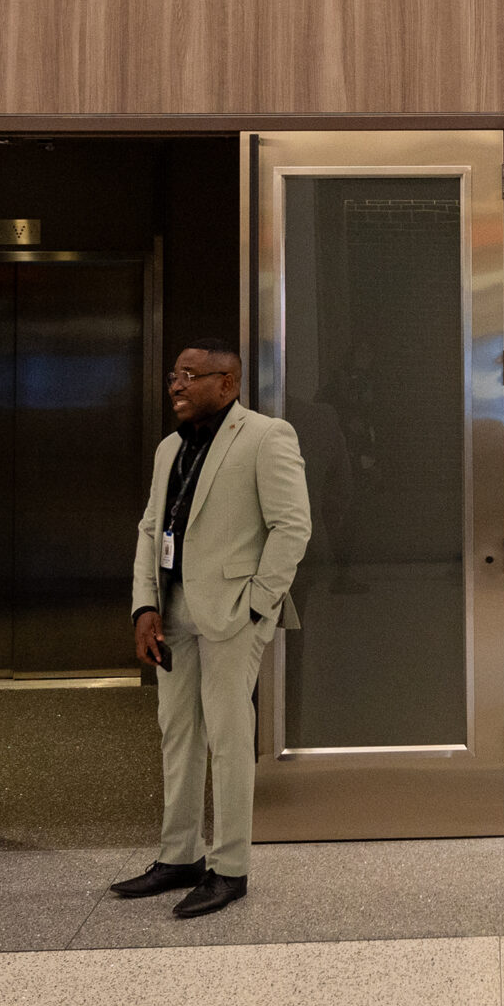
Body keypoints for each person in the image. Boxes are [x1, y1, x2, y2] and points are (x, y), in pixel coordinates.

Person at [108, 338, 311, 918]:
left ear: (228, 383)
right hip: (172, 611)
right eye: (174, 374)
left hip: (232, 613)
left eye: (190, 375)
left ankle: (230, 868)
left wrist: (257, 605)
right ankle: (180, 856)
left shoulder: (267, 437)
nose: (176, 384)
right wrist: (144, 607)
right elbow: (151, 528)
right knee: (177, 733)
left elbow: (292, 527)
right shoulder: (170, 447)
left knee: (228, 738)